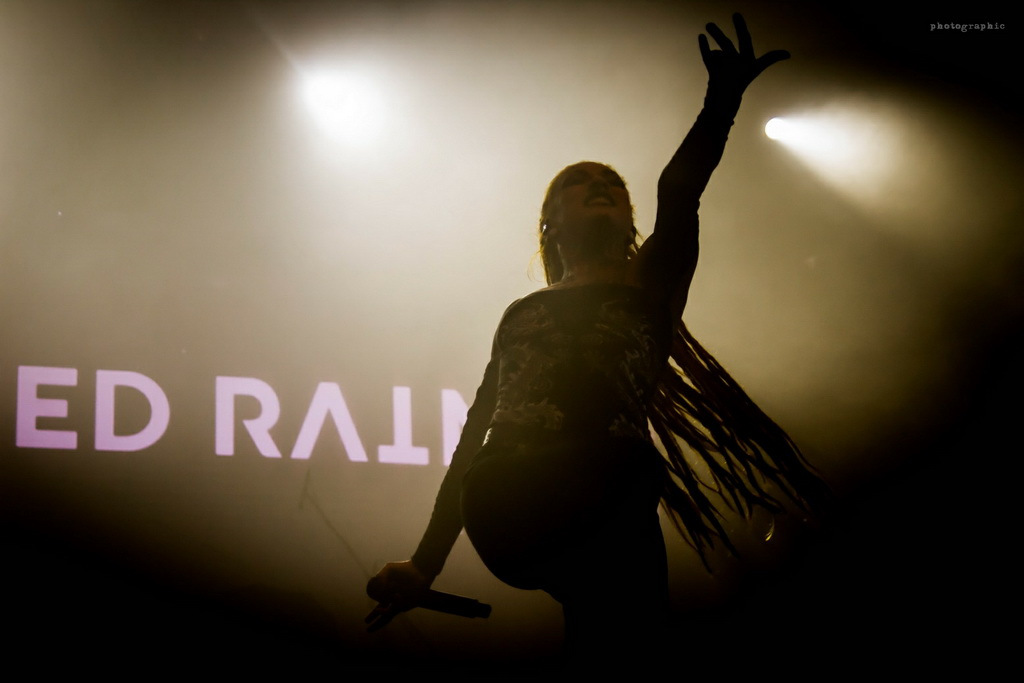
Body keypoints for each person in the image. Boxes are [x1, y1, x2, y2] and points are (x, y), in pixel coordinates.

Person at [367, 13, 829, 661]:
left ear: (630, 219)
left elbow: (680, 191)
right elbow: (475, 432)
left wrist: (721, 104)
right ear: (549, 224)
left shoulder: (652, 282)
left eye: (611, 182)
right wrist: (425, 562)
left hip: (603, 493)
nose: (600, 184)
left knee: (613, 631)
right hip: (508, 496)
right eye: (576, 183)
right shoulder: (522, 313)